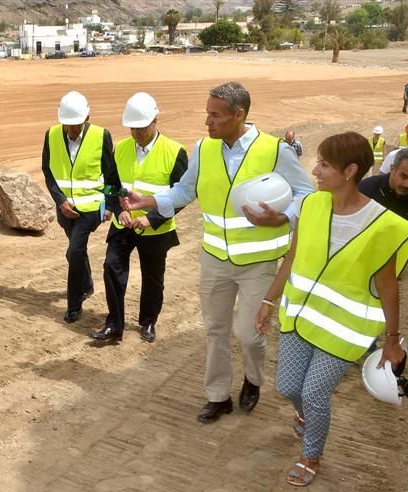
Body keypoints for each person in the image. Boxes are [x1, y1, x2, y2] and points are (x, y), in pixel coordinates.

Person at [122, 81, 315, 423]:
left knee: (249, 333)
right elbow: (183, 192)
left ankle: (253, 380)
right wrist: (148, 202)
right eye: (206, 114)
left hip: (258, 262)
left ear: (239, 115)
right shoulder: (204, 148)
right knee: (215, 330)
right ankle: (218, 396)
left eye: (215, 115)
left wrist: (284, 216)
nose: (207, 122)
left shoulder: (274, 150)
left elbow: (305, 194)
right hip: (214, 258)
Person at [255, 132, 408, 487]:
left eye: (324, 164)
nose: (315, 170)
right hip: (300, 317)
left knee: (314, 394)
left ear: (350, 171)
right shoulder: (311, 205)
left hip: (343, 331)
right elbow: (293, 256)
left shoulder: (383, 225)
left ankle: (311, 454)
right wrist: (269, 300)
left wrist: (392, 341)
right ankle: (305, 417)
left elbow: (388, 286)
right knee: (287, 387)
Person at [91, 92, 188, 345]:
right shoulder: (120, 148)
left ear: (156, 120)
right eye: (132, 128)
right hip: (123, 225)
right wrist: (118, 208)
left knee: (153, 278)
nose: (136, 133)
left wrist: (152, 219)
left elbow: (182, 196)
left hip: (156, 228)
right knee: (112, 268)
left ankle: (148, 321)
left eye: (141, 128)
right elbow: (110, 186)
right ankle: (114, 325)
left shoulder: (175, 151)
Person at [42, 91, 116, 323]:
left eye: (77, 125)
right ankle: (86, 285)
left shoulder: (101, 136)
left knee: (74, 251)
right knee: (75, 251)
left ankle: (74, 305)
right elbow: (48, 171)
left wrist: (110, 205)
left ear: (87, 117)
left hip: (91, 208)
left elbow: (111, 174)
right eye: (68, 125)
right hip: (65, 210)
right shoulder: (51, 135)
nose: (72, 129)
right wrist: (60, 201)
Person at [360, 148, 408, 290]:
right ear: (392, 169)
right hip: (360, 252)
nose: (407, 184)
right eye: (403, 176)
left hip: (392, 258)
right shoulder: (367, 187)